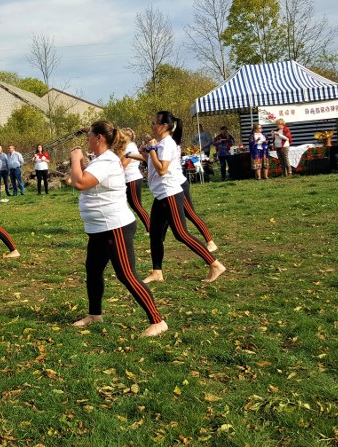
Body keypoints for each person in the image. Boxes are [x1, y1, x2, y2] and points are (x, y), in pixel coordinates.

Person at [68, 121, 167, 337]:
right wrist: (80, 163)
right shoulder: (100, 161)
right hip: (99, 229)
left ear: (99, 138)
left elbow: (80, 183)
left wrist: (75, 159)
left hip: (115, 228)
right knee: (93, 270)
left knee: (127, 275)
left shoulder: (107, 160)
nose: (87, 139)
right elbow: (86, 179)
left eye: (90, 136)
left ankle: (157, 321)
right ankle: (95, 314)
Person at [139, 111, 226, 284]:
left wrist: (153, 151)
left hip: (169, 193)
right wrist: (150, 152)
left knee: (181, 234)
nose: (152, 126)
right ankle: (157, 272)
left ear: (164, 126)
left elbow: (162, 170)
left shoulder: (166, 144)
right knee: (155, 234)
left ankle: (215, 264)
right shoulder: (162, 143)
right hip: (161, 195)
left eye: (154, 123)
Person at [121, 128, 150, 233]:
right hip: (127, 179)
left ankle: (150, 228)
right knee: (132, 204)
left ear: (127, 136)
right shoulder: (125, 147)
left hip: (132, 178)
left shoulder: (130, 147)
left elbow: (123, 164)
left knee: (136, 205)